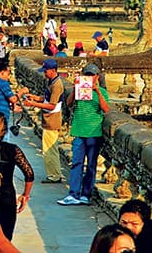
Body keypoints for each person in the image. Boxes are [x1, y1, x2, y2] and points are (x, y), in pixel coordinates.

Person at [57, 63, 110, 206]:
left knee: (91, 165)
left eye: (92, 75)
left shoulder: (102, 92)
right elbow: (68, 104)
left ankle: (86, 194)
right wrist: (75, 89)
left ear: (97, 77)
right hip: (79, 132)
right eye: (87, 75)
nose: (89, 78)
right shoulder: (79, 90)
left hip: (94, 133)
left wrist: (97, 91)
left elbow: (106, 109)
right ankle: (73, 193)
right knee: (77, 164)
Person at [0, 112, 34, 240]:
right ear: (5, 131)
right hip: (7, 198)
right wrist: (25, 195)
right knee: (5, 240)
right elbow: (29, 174)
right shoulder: (13, 149)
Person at [23, 58, 65, 183]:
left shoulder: (57, 85)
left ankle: (54, 175)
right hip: (48, 119)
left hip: (52, 120)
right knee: (49, 149)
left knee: (50, 150)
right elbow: (47, 99)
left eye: (46, 71)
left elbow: (52, 105)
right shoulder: (51, 82)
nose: (44, 73)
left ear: (52, 70)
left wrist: (33, 104)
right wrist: (36, 98)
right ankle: (54, 174)